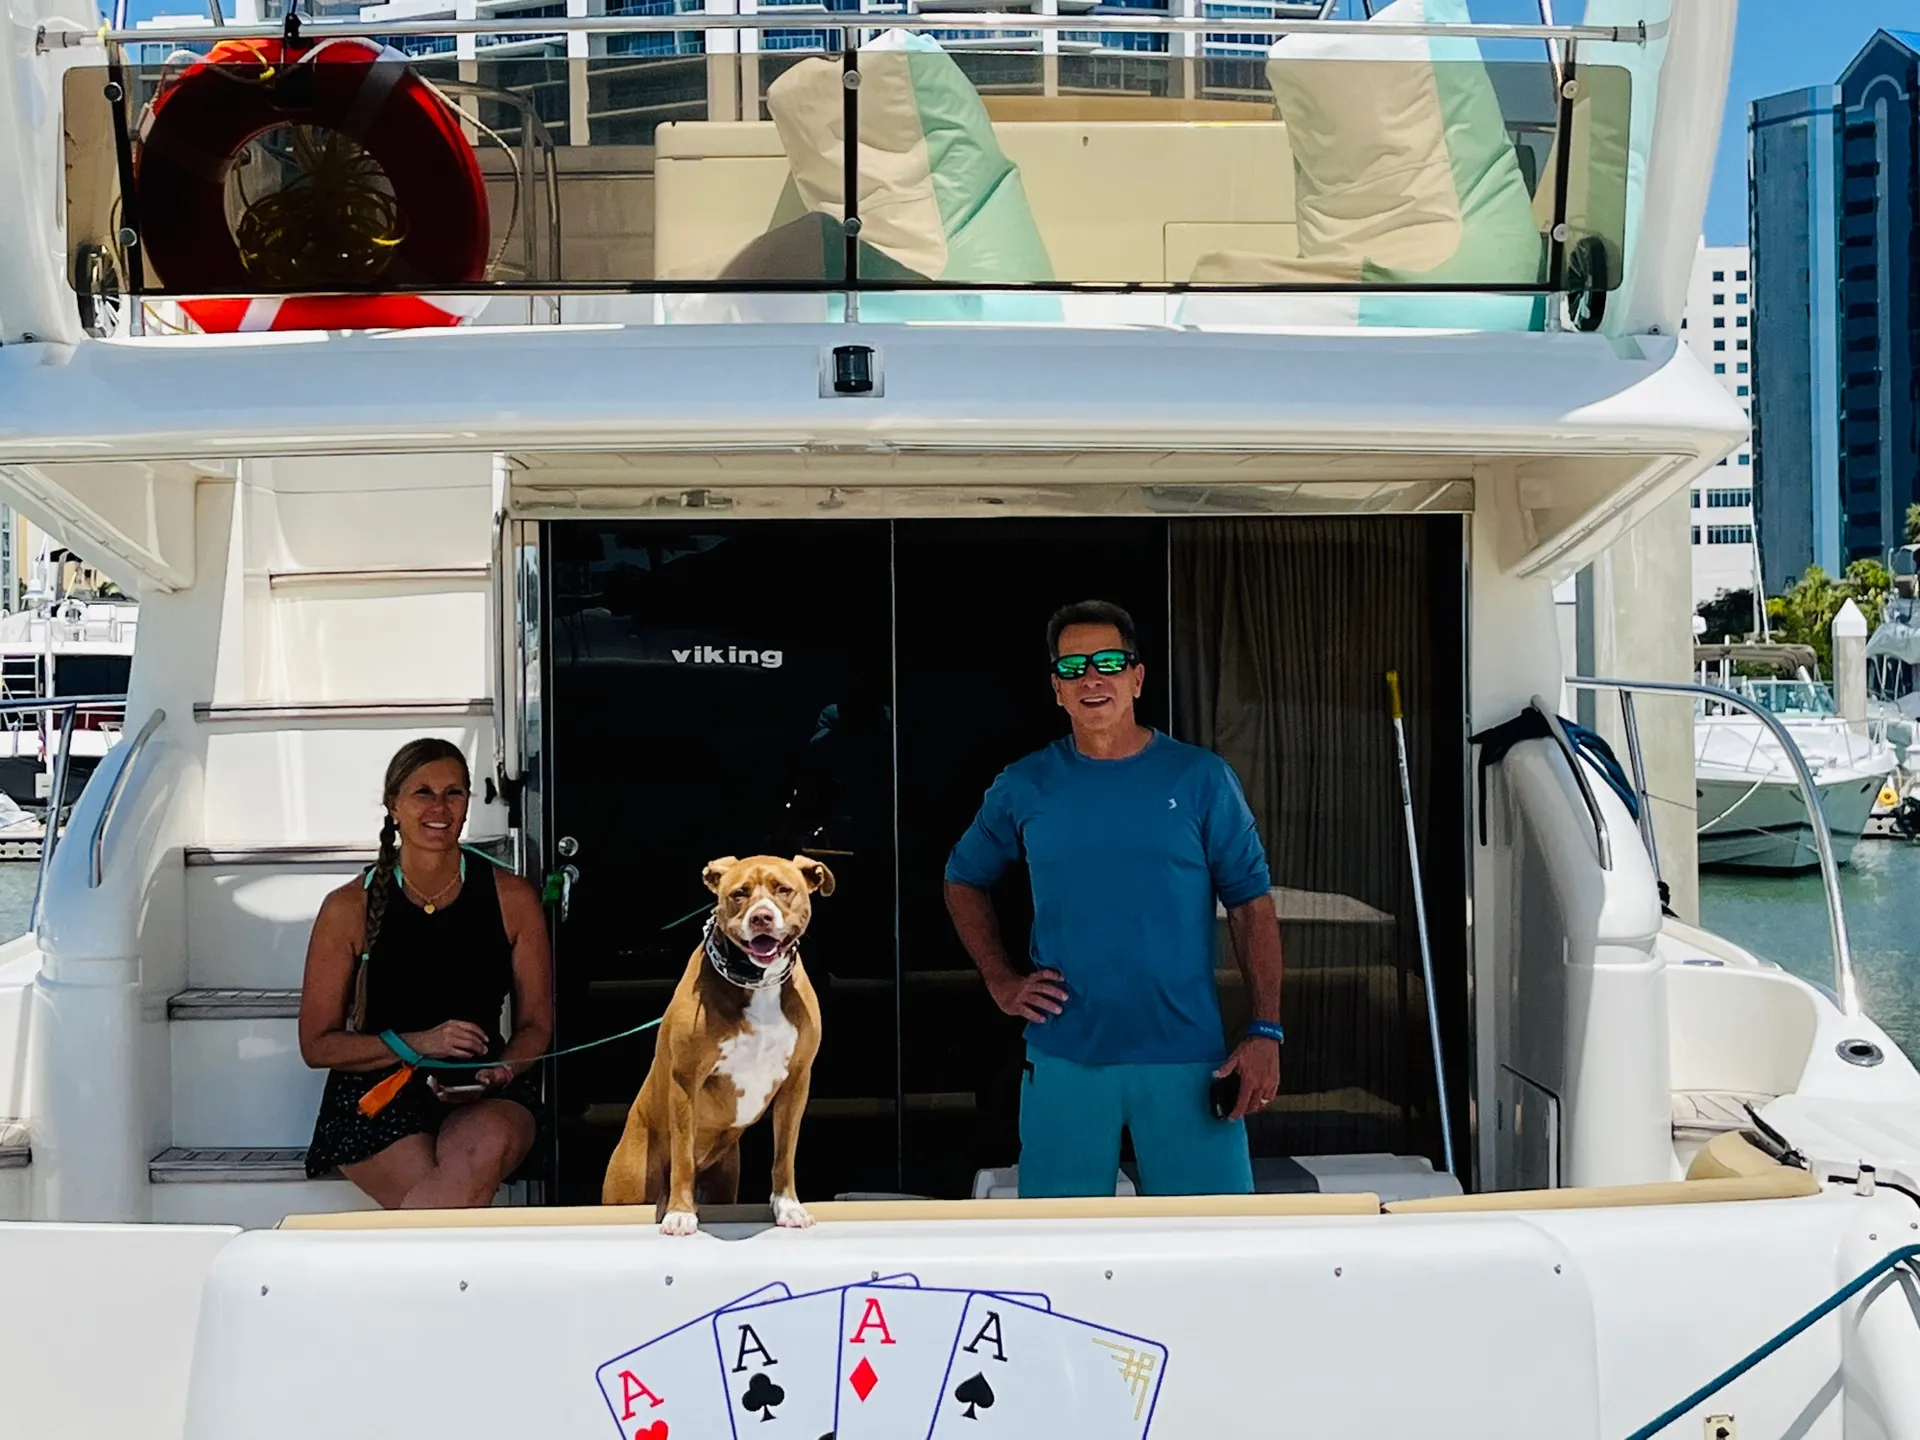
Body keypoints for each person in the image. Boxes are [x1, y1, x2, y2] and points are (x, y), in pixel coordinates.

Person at [944, 600, 1285, 1198]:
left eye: (1108, 662)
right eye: (1073, 668)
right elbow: (962, 879)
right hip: (1065, 1055)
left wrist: (1266, 1031)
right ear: (1056, 689)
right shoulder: (1025, 783)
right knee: (1059, 1255)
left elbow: (1251, 904)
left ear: (1137, 677)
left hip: (1188, 1059)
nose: (1091, 679)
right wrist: (1001, 979)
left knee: (1214, 1248)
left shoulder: (1200, 778)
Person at [299, 738, 554, 1208]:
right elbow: (317, 1045)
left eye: (453, 793)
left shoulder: (512, 898)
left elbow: (536, 1025)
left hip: (478, 1084)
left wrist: (500, 1071)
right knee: (451, 1198)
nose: (440, 807)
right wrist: (419, 1042)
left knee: (484, 1149)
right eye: (423, 793)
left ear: (467, 804)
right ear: (393, 805)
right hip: (376, 1091)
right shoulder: (347, 906)